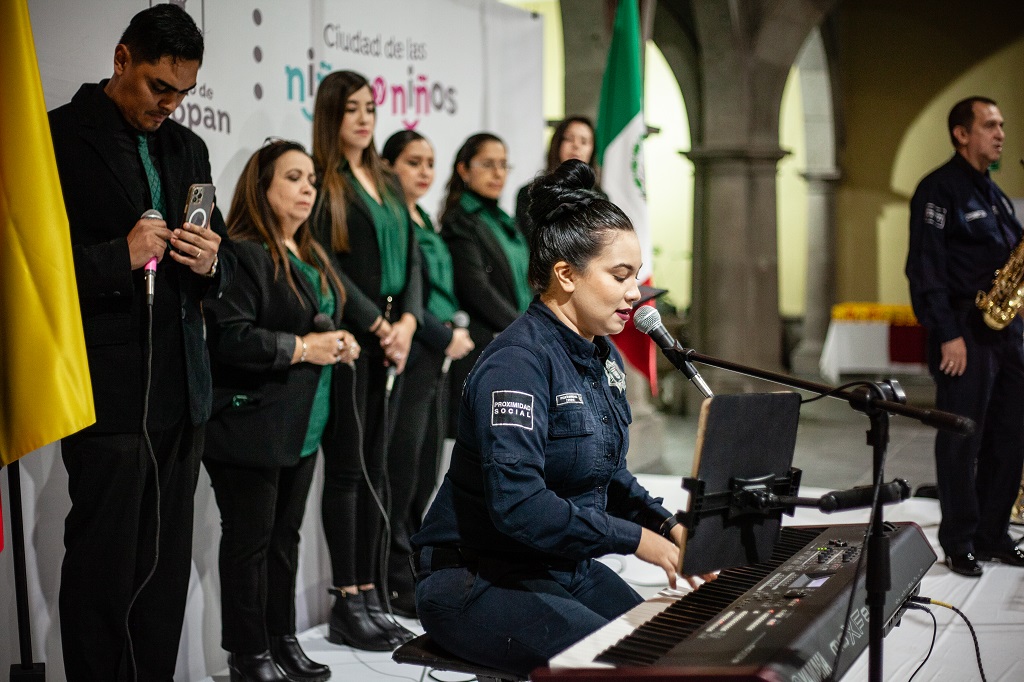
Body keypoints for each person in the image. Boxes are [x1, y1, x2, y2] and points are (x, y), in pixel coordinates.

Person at [412, 159, 714, 677]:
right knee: (620, 665)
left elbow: (605, 474)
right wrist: (637, 541)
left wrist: (669, 525)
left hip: (558, 568)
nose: (634, 293)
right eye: (619, 277)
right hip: (476, 578)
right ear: (566, 275)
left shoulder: (601, 355)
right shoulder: (516, 363)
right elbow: (521, 507)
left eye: (635, 278)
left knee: (670, 649)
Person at [47, 6, 229, 679]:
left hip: (183, 395)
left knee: (163, 575)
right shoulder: (57, 139)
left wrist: (212, 261)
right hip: (107, 395)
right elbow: (31, 272)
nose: (171, 104)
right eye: (160, 87)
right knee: (102, 573)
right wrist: (115, 257)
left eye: (184, 92)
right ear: (122, 60)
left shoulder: (189, 148)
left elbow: (222, 263)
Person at [202, 140, 351, 682]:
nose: (308, 187)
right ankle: (249, 655)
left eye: (311, 178)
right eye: (293, 177)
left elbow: (317, 323)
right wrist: (302, 348)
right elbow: (232, 339)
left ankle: (282, 640)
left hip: (302, 425)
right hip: (249, 424)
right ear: (262, 188)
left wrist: (339, 342)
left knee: (284, 540)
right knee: (250, 543)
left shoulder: (309, 254)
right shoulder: (242, 252)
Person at [310, 70, 421, 650]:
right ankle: (347, 601)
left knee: (380, 469)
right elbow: (326, 263)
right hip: (352, 342)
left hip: (393, 342)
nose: (363, 117)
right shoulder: (322, 180)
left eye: (370, 107)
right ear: (332, 115)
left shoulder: (385, 177)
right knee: (349, 472)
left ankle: (376, 593)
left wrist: (406, 323)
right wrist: (376, 323)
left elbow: (418, 263)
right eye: (351, 108)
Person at [906, 96, 1024, 577]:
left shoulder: (994, 194)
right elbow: (924, 268)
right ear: (961, 133)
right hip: (963, 332)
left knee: (1010, 435)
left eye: (1001, 125)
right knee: (961, 440)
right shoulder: (939, 190)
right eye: (990, 125)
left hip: (1005, 334)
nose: (1000, 134)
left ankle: (994, 534)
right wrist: (946, 332)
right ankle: (959, 541)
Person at [380, 130, 475, 617]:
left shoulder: (423, 218)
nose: (424, 171)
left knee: (425, 470)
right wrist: (443, 337)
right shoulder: (396, 220)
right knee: (402, 467)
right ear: (387, 165)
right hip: (415, 353)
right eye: (412, 161)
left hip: (438, 357)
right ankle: (393, 576)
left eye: (430, 162)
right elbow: (410, 296)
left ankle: (416, 565)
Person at [441, 132, 531, 434]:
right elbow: (476, 290)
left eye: (504, 165)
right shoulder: (460, 221)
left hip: (515, 341)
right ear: (464, 170)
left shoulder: (504, 220)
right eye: (488, 164)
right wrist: (528, 330)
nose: (498, 173)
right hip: (484, 348)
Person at [515, 116, 602, 240]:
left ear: (592, 150)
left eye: (584, 141)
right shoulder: (531, 193)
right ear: (557, 144)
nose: (576, 145)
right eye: (569, 139)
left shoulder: (599, 197)